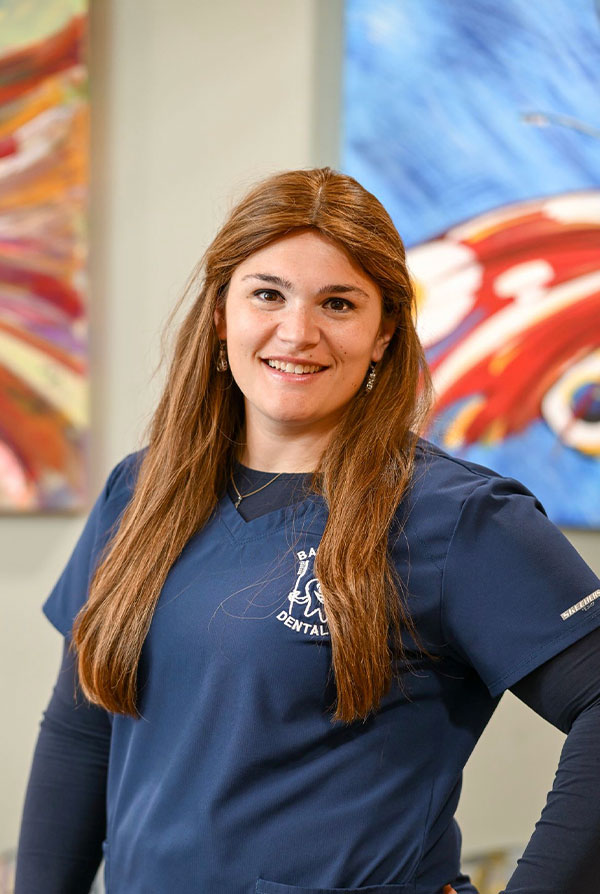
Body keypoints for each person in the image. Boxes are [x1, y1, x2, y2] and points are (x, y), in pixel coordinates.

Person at [14, 167, 600, 894]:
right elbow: (83, 728)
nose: (297, 332)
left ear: (385, 332)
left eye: (339, 303)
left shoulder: (456, 517)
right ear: (222, 312)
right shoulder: (139, 493)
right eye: (267, 293)